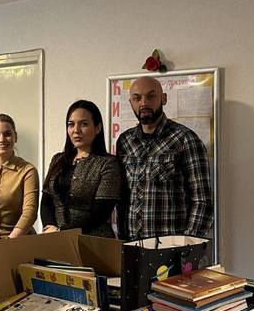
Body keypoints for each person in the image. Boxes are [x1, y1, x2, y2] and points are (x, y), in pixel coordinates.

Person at [116, 75, 213, 240]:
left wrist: (187, 243)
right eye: (137, 98)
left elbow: (202, 201)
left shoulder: (185, 139)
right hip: (131, 244)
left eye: (151, 96)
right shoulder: (125, 141)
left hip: (171, 247)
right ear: (131, 102)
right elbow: (123, 197)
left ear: (164, 98)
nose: (144, 103)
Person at [40, 100, 121, 238]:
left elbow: (101, 212)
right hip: (57, 240)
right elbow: (46, 201)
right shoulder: (58, 159)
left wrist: (63, 231)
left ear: (98, 128)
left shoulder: (108, 163)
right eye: (71, 124)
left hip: (93, 240)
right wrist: (50, 227)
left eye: (84, 124)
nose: (76, 130)